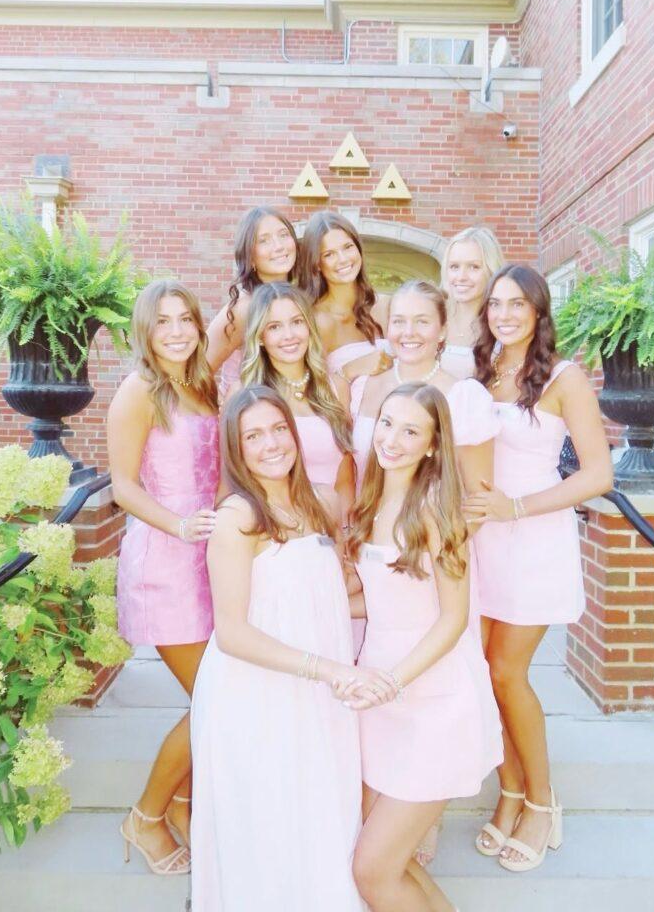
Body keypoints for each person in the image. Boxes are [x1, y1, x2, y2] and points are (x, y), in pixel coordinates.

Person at [190, 386, 395, 911]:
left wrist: (407, 607)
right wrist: (328, 670)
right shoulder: (237, 518)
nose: (271, 444)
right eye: (253, 436)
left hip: (322, 693)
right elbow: (232, 632)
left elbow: (330, 598)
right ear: (236, 449)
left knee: (322, 810)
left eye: (278, 429)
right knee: (268, 821)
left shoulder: (322, 502)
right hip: (256, 692)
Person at [465, 264, 613, 872]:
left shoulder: (563, 377)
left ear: (538, 311)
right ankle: (510, 791)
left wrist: (517, 507)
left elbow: (598, 475)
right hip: (480, 544)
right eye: (496, 304)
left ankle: (543, 800)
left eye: (517, 305)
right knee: (478, 673)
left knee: (506, 672)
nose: (504, 315)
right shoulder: (477, 372)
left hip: (533, 539)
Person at [344, 383, 502, 912]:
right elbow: (380, 601)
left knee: (373, 871)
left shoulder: (437, 507)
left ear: (433, 444)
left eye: (410, 431)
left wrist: (394, 681)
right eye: (387, 423)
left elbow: (453, 619)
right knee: (390, 859)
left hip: (433, 699)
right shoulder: (373, 498)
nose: (392, 440)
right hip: (380, 698)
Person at [109, 279, 220, 875]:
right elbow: (122, 487)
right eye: (163, 321)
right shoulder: (139, 390)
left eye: (185, 319)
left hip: (210, 562)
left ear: (200, 327)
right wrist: (178, 525)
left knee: (219, 697)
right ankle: (146, 817)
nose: (176, 331)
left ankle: (181, 805)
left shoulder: (203, 385)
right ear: (145, 332)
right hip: (166, 563)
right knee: (217, 701)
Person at [350, 280, 498, 494]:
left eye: (422, 321)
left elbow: (479, 496)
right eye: (399, 321)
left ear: (442, 330)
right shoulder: (363, 387)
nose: (409, 332)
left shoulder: (465, 398)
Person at [231, 282, 355, 519]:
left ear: (309, 327)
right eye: (274, 326)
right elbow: (232, 476)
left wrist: (346, 529)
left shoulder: (336, 388)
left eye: (297, 322)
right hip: (271, 525)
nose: (289, 335)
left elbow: (345, 478)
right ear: (260, 336)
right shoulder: (243, 393)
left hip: (330, 526)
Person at [206, 206, 299, 396]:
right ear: (250, 256)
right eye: (264, 240)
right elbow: (197, 370)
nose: (279, 246)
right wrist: (221, 406)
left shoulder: (298, 299)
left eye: (283, 235)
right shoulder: (243, 308)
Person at [299, 209, 391, 380]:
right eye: (329, 254)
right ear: (317, 263)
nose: (343, 259)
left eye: (348, 247)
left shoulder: (386, 306)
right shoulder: (317, 322)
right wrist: (350, 369)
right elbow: (310, 387)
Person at [439, 225, 504, 379]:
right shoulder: (432, 316)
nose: (461, 276)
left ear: (491, 270)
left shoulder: (503, 323)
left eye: (474, 267)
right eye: (454, 266)